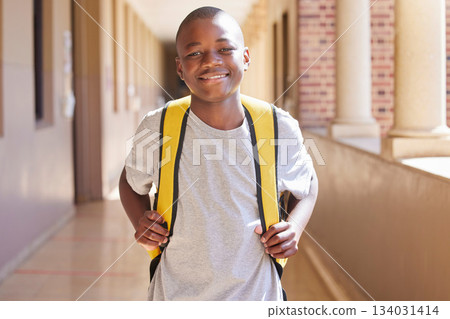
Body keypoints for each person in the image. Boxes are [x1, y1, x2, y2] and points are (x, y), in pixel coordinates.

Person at [119, 6, 318, 301]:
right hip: (174, 295)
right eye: (195, 53)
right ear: (179, 68)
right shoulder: (158, 127)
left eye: (224, 49)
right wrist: (141, 222)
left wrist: (295, 228)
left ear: (246, 57)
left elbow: (309, 184)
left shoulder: (278, 127)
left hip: (257, 294)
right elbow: (128, 180)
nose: (211, 61)